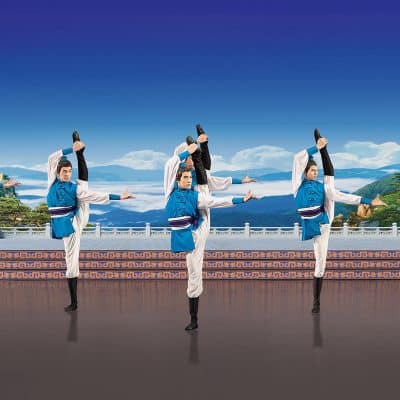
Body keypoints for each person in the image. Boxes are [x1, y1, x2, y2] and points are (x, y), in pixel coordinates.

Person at [292, 129, 385, 313]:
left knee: (320, 263)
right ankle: (323, 148)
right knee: (330, 181)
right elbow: (297, 159)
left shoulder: (322, 188)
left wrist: (369, 201)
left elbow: (343, 196)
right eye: (312, 171)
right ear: (305, 172)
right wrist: (315, 148)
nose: (315, 173)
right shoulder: (297, 186)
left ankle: (316, 301)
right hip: (309, 222)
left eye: (316, 171)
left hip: (324, 221)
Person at [47, 131, 134, 311]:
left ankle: (74, 302)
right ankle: (80, 151)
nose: (67, 174)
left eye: (69, 172)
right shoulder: (52, 182)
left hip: (74, 222)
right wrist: (72, 148)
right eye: (64, 171)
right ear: (57, 172)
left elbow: (95, 196)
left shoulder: (74, 188)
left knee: (71, 260)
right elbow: (52, 158)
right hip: (60, 221)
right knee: (83, 187)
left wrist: (120, 197)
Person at [166, 166, 256, 331]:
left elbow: (216, 202)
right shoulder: (169, 192)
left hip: (194, 235)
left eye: (189, 177)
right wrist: (187, 152)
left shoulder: (195, 196)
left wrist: (241, 200)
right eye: (185, 177)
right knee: (193, 271)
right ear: (177, 179)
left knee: (194, 272)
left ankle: (194, 319)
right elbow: (172, 163)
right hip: (179, 236)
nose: (188, 180)